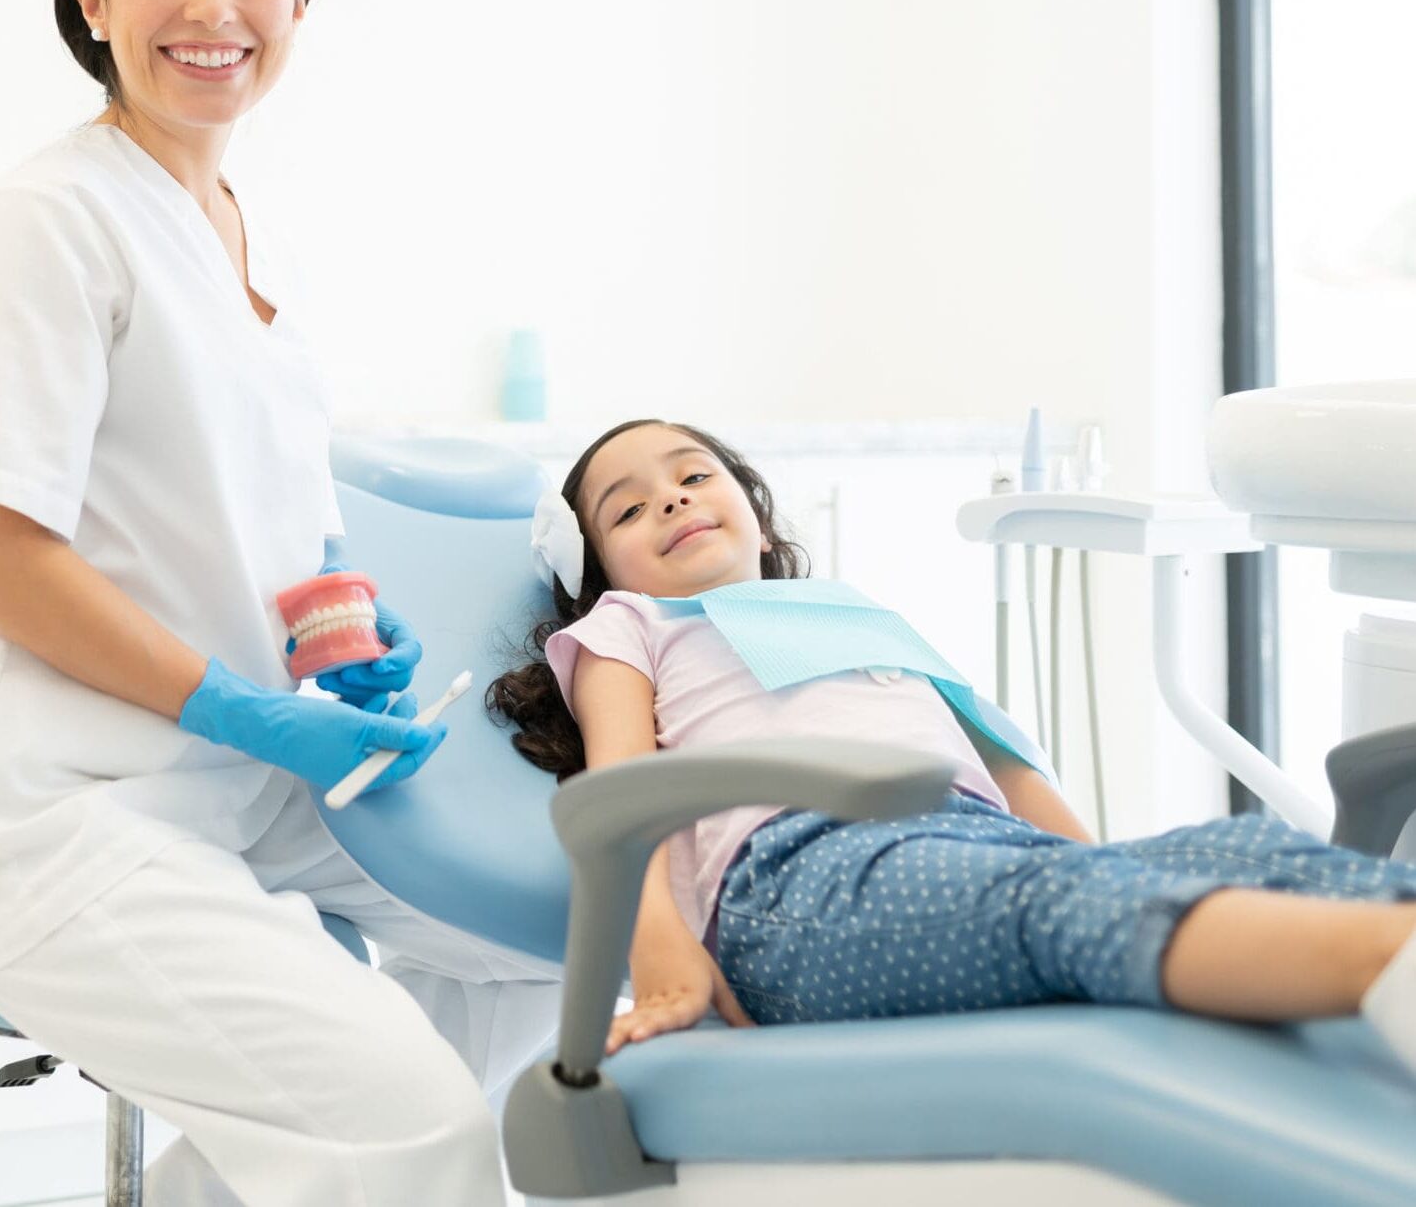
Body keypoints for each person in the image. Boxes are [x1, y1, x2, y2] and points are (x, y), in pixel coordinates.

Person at [0, 0, 560, 1207]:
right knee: (410, 1123)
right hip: (51, 799)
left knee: (552, 945)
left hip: (233, 780)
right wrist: (239, 705)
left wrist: (343, 631)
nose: (212, 6)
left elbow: (252, 524)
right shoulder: (43, 221)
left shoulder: (224, 234)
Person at [487, 417, 1416, 1067]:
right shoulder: (631, 626)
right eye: (627, 507)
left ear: (757, 515)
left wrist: (1117, 867)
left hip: (972, 841)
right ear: (598, 567)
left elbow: (1010, 770)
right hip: (799, 876)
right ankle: (1381, 963)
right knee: (1054, 910)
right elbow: (617, 792)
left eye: (694, 476)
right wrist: (659, 952)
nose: (672, 502)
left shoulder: (857, 613)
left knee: (1239, 849)